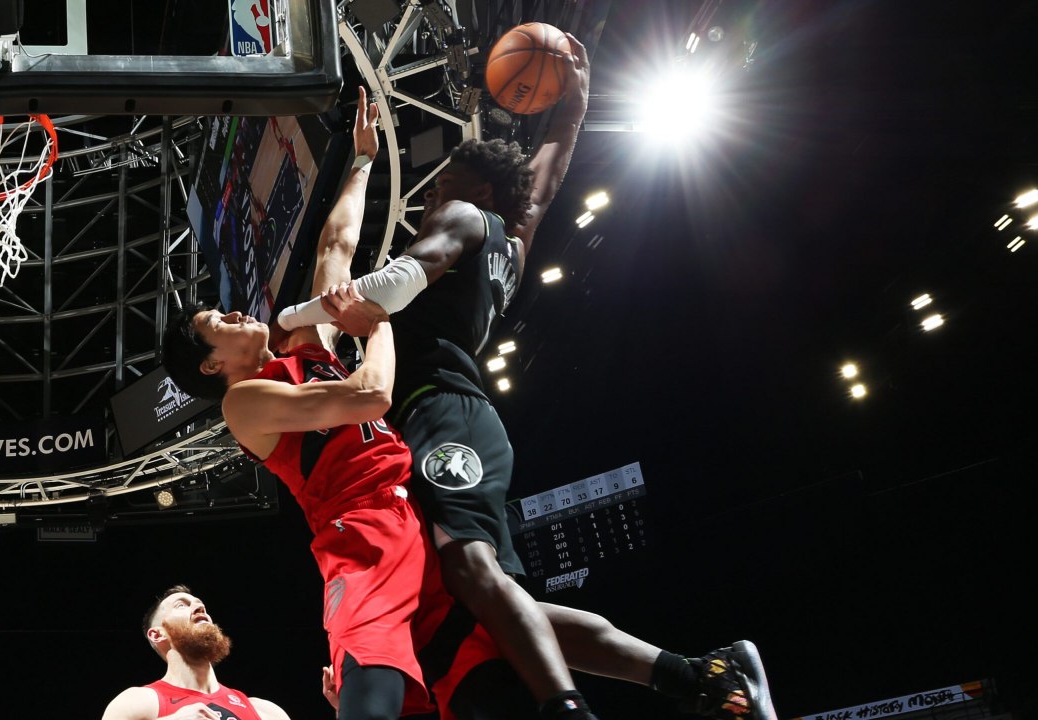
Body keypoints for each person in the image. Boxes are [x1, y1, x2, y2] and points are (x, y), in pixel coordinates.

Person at [274, 34, 778, 720]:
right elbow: (547, 177)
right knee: (494, 607)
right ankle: (700, 675)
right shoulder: (511, 237)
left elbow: (395, 284)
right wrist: (574, 104)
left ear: (478, 190)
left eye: (441, 184)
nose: (430, 198)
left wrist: (302, 315)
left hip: (442, 406)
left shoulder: (461, 218)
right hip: (442, 414)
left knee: (469, 568)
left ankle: (569, 708)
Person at [163, 87, 530, 720]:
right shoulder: (244, 403)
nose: (234, 312)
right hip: (357, 528)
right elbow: (371, 396)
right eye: (216, 322)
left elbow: (335, 248)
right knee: (372, 669)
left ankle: (679, 674)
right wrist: (378, 321)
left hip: (410, 511)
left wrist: (361, 162)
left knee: (474, 658)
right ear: (211, 364)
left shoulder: (305, 346)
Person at [102, 585, 293, 720]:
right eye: (181, 605)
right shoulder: (138, 701)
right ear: (157, 634)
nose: (200, 608)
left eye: (200, 605)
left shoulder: (266, 712)